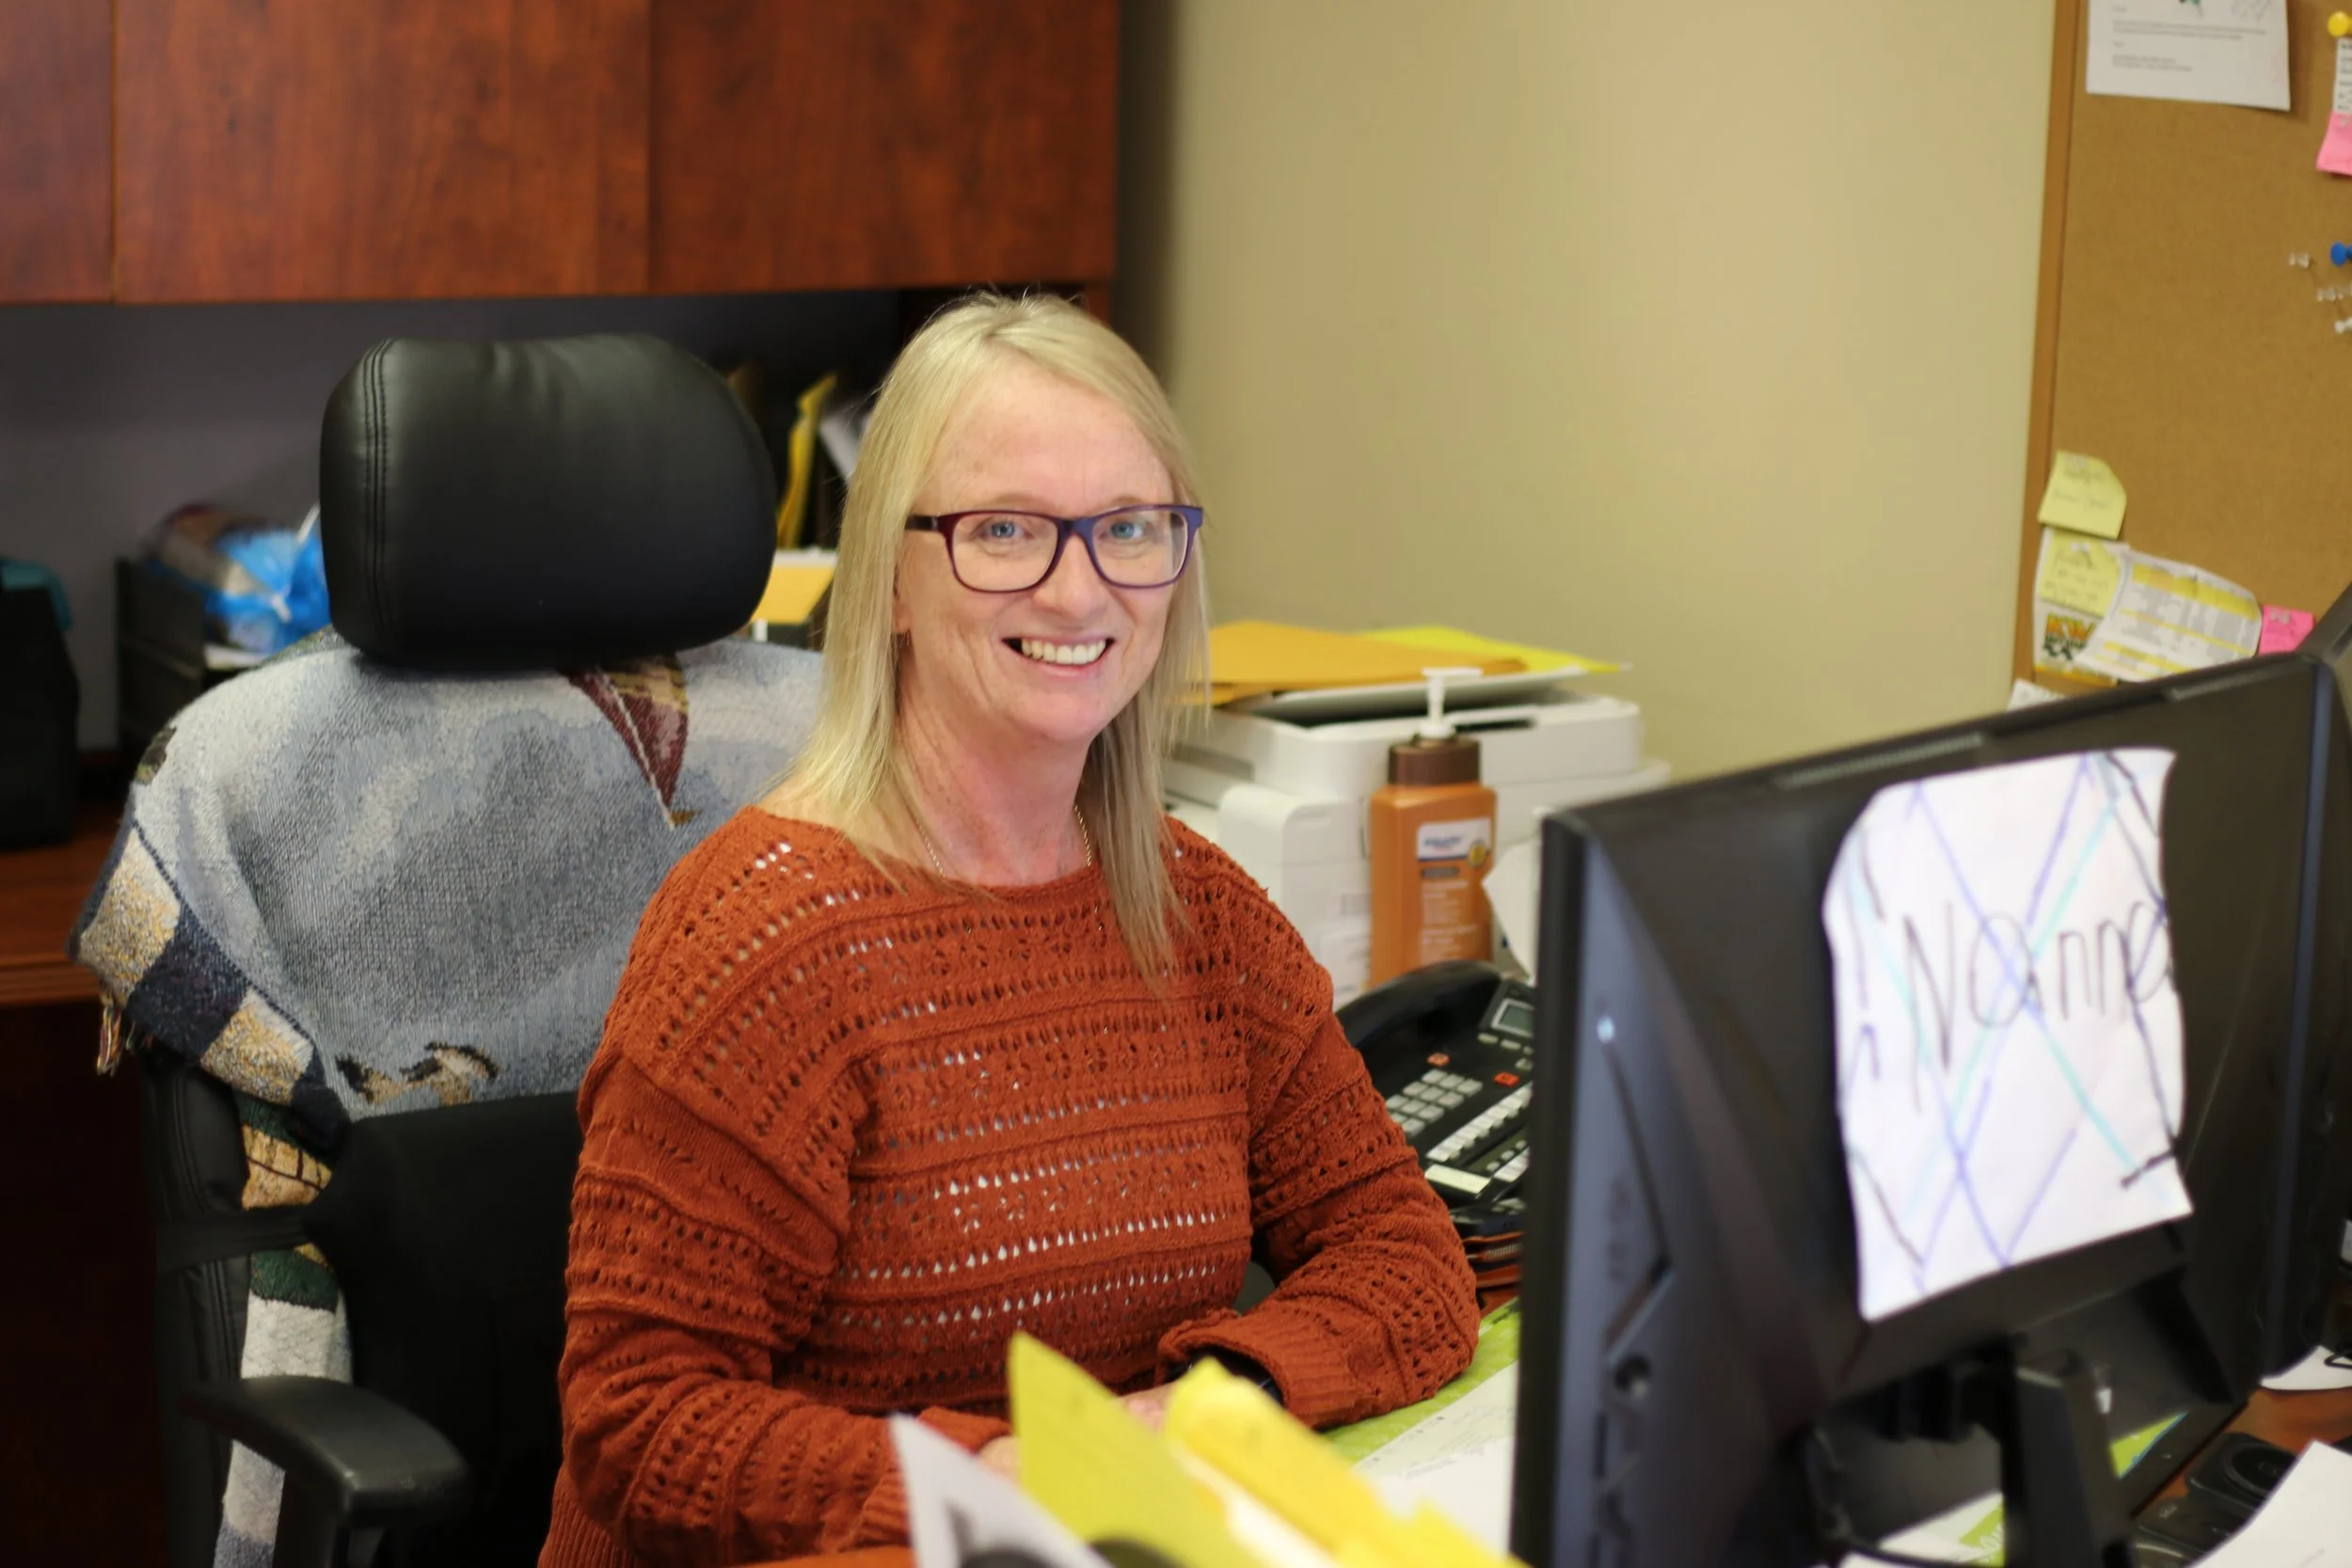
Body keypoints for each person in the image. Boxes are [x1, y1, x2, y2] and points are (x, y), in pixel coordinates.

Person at [539, 293, 1479, 1568]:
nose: (1079, 584)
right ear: (892, 578)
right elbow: (643, 1427)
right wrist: (1002, 1476)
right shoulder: (763, 942)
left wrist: (1213, 1407)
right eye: (1003, 530)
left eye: (1128, 527)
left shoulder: (1195, 908)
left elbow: (1405, 1259)